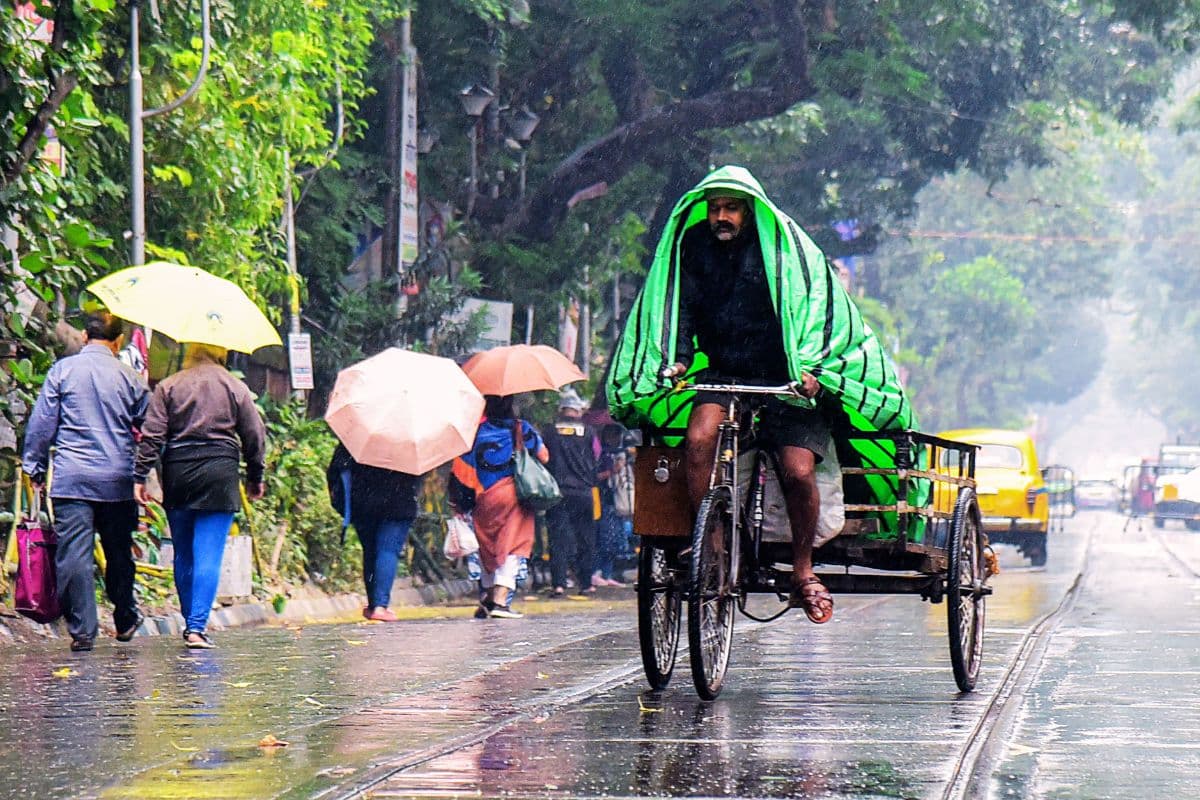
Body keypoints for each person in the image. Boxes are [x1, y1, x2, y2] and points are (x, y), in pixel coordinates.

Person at [608, 166, 917, 624]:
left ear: (750, 211)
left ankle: (803, 570)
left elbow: (813, 310)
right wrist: (678, 360)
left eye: (731, 208)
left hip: (788, 377)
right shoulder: (693, 246)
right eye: (714, 208)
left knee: (797, 469)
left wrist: (812, 371)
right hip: (724, 371)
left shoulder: (784, 249)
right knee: (698, 440)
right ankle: (711, 546)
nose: (721, 217)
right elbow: (679, 309)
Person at [21, 312, 149, 652]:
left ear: (83, 335)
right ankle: (125, 617)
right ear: (118, 342)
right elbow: (151, 429)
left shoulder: (62, 371)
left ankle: (83, 631)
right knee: (118, 552)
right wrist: (144, 473)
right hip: (117, 481)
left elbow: (42, 424)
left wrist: (35, 466)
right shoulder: (131, 379)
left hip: (72, 479)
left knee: (74, 554)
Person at [133, 343, 266, 649]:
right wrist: (255, 477)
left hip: (178, 473)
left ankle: (190, 620)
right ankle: (196, 627)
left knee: (184, 553)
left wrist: (139, 476)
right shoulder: (235, 387)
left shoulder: (169, 386)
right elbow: (254, 436)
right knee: (209, 552)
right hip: (220, 473)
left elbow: (152, 435)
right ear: (221, 352)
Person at [450, 395, 549, 619]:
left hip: (483, 497)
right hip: (513, 495)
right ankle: (500, 601)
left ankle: (486, 597)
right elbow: (544, 456)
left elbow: (462, 468)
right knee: (514, 545)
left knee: (488, 547)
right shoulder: (520, 428)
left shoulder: (474, 432)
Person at [326, 442, 422, 622]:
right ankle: (380, 606)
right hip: (399, 503)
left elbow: (336, 469)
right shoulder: (409, 442)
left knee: (370, 552)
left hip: (363, 503)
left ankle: (373, 605)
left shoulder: (360, 437)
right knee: (388, 550)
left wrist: (342, 503)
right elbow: (419, 472)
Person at [542, 389, 600, 597]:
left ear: (561, 410)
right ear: (578, 410)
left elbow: (542, 456)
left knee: (558, 538)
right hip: (583, 491)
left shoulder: (549, 431)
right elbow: (597, 456)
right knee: (585, 538)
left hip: (557, 492)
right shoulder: (589, 432)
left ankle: (558, 584)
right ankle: (586, 583)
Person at [592, 424, 630, 587]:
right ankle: (596, 572)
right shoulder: (601, 454)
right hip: (602, 500)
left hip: (615, 501)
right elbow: (595, 476)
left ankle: (607, 573)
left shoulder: (618, 453)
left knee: (614, 540)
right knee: (604, 539)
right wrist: (613, 470)